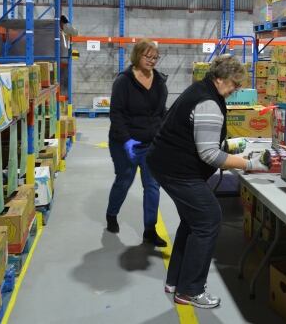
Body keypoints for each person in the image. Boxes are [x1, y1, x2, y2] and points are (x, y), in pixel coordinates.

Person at [146, 55, 269, 309]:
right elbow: (210, 155)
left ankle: (175, 280)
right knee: (209, 218)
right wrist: (249, 164)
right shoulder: (208, 103)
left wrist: (231, 147)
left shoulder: (202, 89)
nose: (236, 90)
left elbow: (203, 138)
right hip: (177, 170)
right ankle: (189, 291)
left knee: (193, 221)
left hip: (166, 163)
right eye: (234, 84)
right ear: (221, 78)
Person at [106, 39, 169, 247]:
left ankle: (149, 230)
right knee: (124, 180)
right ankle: (112, 214)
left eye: (155, 57)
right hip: (125, 142)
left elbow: (161, 113)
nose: (151, 61)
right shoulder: (123, 81)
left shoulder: (159, 81)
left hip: (150, 143)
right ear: (137, 56)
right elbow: (116, 113)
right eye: (147, 56)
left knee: (152, 186)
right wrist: (126, 140)